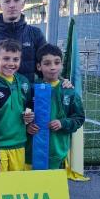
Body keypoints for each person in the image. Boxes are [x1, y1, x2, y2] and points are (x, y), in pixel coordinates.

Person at [25, 44, 85, 172]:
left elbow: (79, 118)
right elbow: (21, 114)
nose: (53, 67)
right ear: (39, 66)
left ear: (62, 65)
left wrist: (62, 123)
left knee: (52, 188)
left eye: (57, 63)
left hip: (57, 151)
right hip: (32, 150)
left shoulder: (69, 91)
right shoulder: (31, 89)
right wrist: (27, 126)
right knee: (32, 187)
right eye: (47, 63)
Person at [0, 39, 34, 175]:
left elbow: (29, 105)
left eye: (15, 59)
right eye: (6, 58)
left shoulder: (24, 82)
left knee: (16, 189)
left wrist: (29, 116)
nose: (11, 63)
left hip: (19, 145)